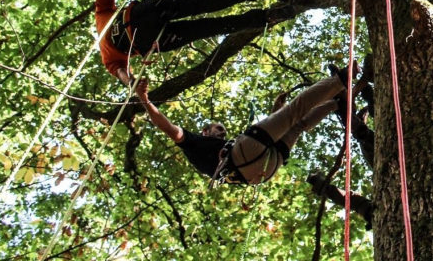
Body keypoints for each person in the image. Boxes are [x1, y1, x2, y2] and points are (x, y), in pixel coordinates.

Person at [133, 62, 362, 184]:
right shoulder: (193, 141)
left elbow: (269, 136)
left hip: (262, 170)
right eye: (218, 128)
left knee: (298, 125)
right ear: (205, 130)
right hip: (248, 158)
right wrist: (145, 100)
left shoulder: (219, 152)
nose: (222, 131)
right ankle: (340, 79)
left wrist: (275, 110)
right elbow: (167, 126)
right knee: (295, 111)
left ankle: (336, 103)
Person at [94, 0, 291, 86]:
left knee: (210, 27)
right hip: (144, 18)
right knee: (201, 2)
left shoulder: (107, 57)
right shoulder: (101, 15)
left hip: (148, 35)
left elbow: (121, 72)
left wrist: (132, 82)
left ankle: (266, 16)